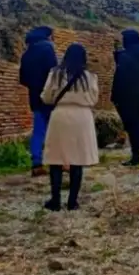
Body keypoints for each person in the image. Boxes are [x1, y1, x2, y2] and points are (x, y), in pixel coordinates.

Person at [39, 43, 99, 211]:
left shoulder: (56, 74)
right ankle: (73, 202)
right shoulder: (89, 76)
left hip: (61, 116)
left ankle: (55, 200)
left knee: (56, 159)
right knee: (77, 160)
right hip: (82, 118)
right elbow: (94, 99)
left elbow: (46, 96)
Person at [19, 26, 58, 177]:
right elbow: (54, 72)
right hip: (50, 97)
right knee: (55, 130)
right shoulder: (48, 48)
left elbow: (23, 79)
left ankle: (37, 163)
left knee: (38, 131)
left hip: (35, 97)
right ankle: (58, 162)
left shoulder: (26, 54)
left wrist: (35, 86)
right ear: (48, 36)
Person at [111, 28, 139, 167]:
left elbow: (122, 75)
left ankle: (135, 155)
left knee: (131, 125)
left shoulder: (127, 55)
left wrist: (115, 95)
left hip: (127, 96)